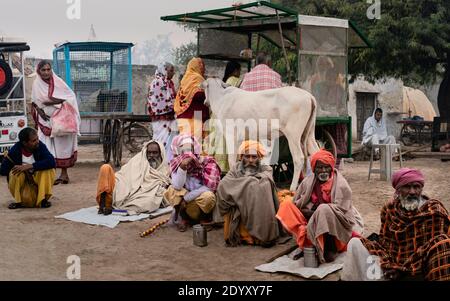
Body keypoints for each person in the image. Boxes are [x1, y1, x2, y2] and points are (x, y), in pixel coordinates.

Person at [341, 168, 450, 281]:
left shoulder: (434, 211)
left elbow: (433, 249)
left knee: (443, 242)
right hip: (394, 263)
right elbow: (385, 244)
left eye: (416, 187)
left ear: (421, 189)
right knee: (355, 243)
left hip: (421, 267)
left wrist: (402, 269)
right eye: (407, 187)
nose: (412, 192)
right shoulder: (389, 209)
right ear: (398, 190)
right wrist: (390, 265)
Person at [276, 149, 364, 263]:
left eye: (326, 167)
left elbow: (342, 212)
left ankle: (329, 247)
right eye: (319, 168)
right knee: (286, 205)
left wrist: (316, 213)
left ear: (331, 167)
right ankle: (308, 241)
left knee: (324, 209)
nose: (323, 170)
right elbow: (297, 203)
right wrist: (311, 213)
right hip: (309, 219)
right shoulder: (307, 182)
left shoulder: (342, 185)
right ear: (314, 169)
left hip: (334, 226)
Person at [217, 140, 281, 247]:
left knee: (261, 185)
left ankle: (262, 235)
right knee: (253, 184)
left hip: (259, 209)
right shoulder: (235, 170)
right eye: (247, 156)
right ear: (242, 157)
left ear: (259, 158)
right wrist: (249, 184)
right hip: (239, 206)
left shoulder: (266, 169)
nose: (250, 160)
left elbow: (264, 184)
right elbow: (223, 185)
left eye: (254, 157)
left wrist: (239, 186)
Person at [31, 60, 80, 185]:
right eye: (43, 70)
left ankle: (64, 175)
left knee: (63, 146)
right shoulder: (37, 83)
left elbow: (70, 97)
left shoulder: (58, 82)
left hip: (61, 120)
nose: (46, 72)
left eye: (48, 69)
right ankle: (49, 176)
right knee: (45, 147)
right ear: (39, 71)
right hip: (45, 120)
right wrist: (39, 111)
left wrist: (52, 102)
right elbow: (34, 101)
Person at [95, 140, 171, 215]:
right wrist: (127, 186)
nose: (151, 155)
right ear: (145, 152)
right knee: (105, 168)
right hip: (122, 189)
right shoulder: (137, 160)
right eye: (149, 152)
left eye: (155, 153)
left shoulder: (164, 170)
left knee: (149, 202)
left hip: (141, 195)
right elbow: (123, 174)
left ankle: (113, 206)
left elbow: (165, 187)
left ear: (161, 154)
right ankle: (105, 204)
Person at [164, 134, 221, 231]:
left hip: (198, 202)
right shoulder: (176, 163)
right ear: (178, 150)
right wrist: (182, 167)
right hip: (185, 206)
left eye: (190, 149)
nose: (187, 153)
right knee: (171, 191)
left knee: (208, 196)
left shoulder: (207, 162)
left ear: (195, 148)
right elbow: (177, 186)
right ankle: (185, 219)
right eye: (183, 149)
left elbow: (209, 187)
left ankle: (204, 219)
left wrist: (186, 198)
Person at [0, 127, 56, 209]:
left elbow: (51, 161)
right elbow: (3, 170)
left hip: (37, 181)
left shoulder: (40, 146)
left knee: (48, 171)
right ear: (25, 143)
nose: (37, 142)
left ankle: (43, 200)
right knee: (15, 172)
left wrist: (30, 166)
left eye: (37, 139)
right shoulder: (15, 149)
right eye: (33, 141)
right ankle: (19, 202)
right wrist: (13, 166)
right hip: (24, 184)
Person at [174, 58, 210, 142]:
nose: (204, 69)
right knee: (195, 141)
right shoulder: (197, 78)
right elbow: (198, 95)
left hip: (183, 115)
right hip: (195, 114)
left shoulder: (185, 79)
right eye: (202, 66)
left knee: (185, 141)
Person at [148, 62, 178, 161]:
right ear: (164, 70)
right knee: (161, 141)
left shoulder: (168, 82)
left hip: (170, 119)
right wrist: (175, 106)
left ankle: (167, 162)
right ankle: (159, 161)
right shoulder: (157, 82)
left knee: (170, 142)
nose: (173, 73)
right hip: (161, 120)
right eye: (171, 71)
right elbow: (160, 104)